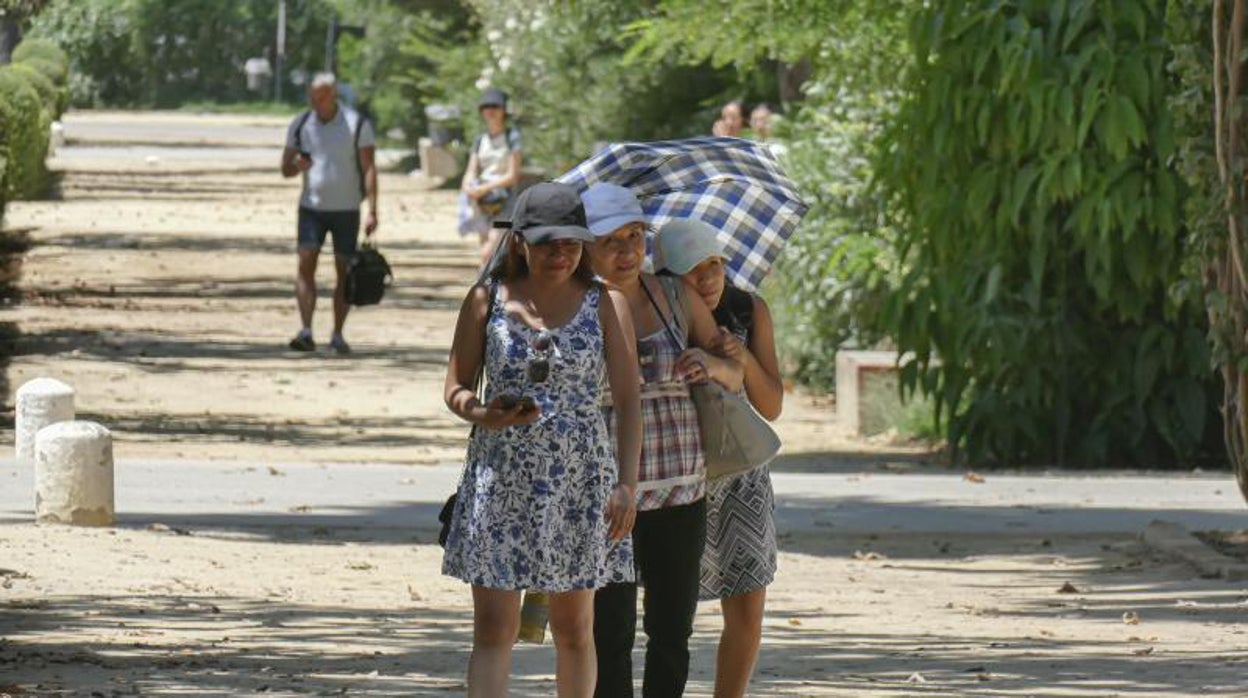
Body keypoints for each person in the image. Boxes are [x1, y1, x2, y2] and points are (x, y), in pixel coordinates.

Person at [442, 182, 642, 697]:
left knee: (575, 630)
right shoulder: (486, 299)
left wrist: (627, 485)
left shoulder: (606, 303)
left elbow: (627, 401)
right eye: (549, 242)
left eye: (571, 242)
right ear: (520, 241)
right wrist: (485, 413)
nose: (561, 253)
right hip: (500, 478)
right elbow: (455, 387)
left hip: (580, 482)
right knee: (493, 629)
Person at [581, 183, 744, 698]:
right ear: (584, 245)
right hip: (607, 494)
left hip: (681, 488)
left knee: (672, 630)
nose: (629, 251)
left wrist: (713, 363)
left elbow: (736, 371)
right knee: (608, 632)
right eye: (613, 240)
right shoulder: (575, 308)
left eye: (636, 236)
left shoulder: (674, 295)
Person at [654, 219, 783, 698]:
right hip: (672, 472)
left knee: (748, 605)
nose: (707, 280)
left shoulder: (748, 309)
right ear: (666, 276)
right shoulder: (650, 313)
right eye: (692, 271)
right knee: (669, 609)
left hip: (741, 475)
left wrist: (742, 359)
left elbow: (771, 404)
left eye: (714, 265)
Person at [280, 72, 378, 354]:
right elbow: (285, 169)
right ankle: (306, 330)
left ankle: (337, 333)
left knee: (344, 272)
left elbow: (370, 167)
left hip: (347, 209)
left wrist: (372, 209)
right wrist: (297, 165)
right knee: (305, 263)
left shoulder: (356, 124)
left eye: (321, 95)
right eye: (312, 95)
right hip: (311, 207)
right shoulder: (301, 124)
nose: (315, 100)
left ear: (333, 94)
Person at [459, 87, 523, 269]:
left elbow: (513, 175)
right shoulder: (480, 140)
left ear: (503, 110)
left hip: (506, 204)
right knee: (485, 248)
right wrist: (468, 187)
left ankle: (481, 288)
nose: (490, 111)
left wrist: (485, 188)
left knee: (490, 250)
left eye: (495, 106)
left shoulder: (512, 137)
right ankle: (490, 291)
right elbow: (471, 169)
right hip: (482, 203)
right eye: (486, 106)